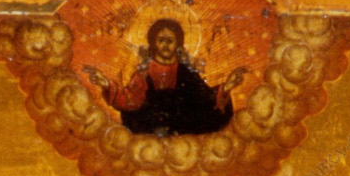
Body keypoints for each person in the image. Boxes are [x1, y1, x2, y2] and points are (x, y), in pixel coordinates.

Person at [84, 19, 244, 138]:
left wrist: (226, 87)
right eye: (161, 40)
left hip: (182, 127)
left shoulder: (186, 72)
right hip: (151, 126)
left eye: (170, 41)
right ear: (153, 43)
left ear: (178, 44)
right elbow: (130, 99)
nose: (165, 45)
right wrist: (107, 84)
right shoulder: (145, 72)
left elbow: (204, 100)